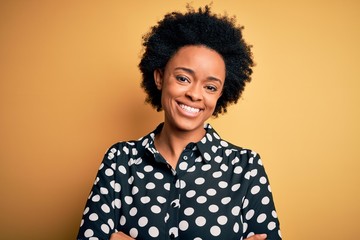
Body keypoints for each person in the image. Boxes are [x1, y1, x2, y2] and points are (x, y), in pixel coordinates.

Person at [77, 5, 281, 240]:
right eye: (183, 78)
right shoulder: (120, 160)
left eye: (210, 87)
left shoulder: (246, 167)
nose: (195, 94)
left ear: (221, 94)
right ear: (160, 78)